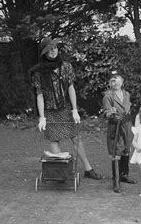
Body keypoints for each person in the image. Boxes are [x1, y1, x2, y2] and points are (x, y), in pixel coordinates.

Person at [30, 37, 102, 180]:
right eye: (49, 50)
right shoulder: (38, 72)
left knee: (76, 138)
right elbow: (39, 95)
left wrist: (75, 110)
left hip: (65, 109)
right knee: (54, 140)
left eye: (55, 48)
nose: (53, 51)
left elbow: (70, 88)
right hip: (49, 111)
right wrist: (42, 116)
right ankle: (59, 174)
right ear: (44, 53)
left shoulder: (66, 66)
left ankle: (88, 169)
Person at [102, 71, 135, 193]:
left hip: (127, 125)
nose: (115, 82)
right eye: (112, 80)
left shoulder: (127, 94)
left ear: (122, 81)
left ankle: (124, 175)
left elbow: (128, 110)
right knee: (116, 152)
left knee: (126, 150)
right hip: (115, 127)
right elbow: (107, 114)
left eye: (117, 79)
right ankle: (116, 181)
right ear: (109, 83)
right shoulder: (108, 96)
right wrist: (111, 112)